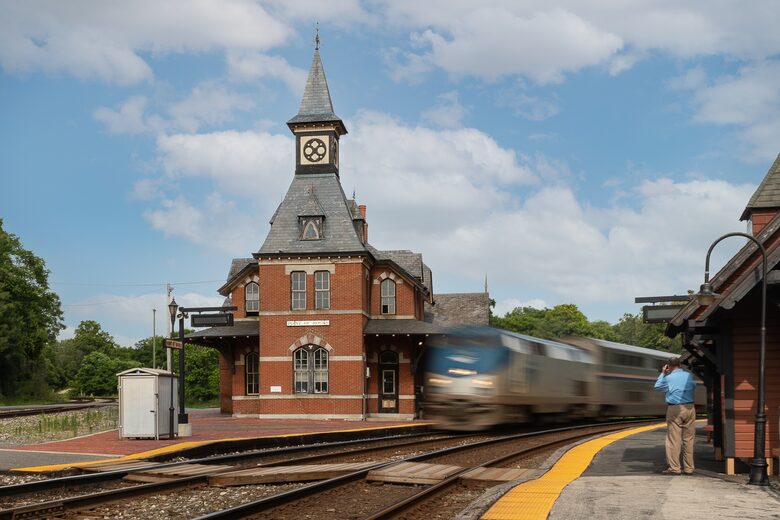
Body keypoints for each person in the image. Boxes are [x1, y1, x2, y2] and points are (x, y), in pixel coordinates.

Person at [654, 356, 696, 475]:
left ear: (669, 366)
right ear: (680, 365)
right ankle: (689, 468)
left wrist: (663, 373)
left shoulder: (668, 378)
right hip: (690, 408)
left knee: (674, 439)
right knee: (688, 439)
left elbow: (657, 387)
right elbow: (693, 386)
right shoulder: (688, 375)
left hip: (675, 408)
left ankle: (675, 468)